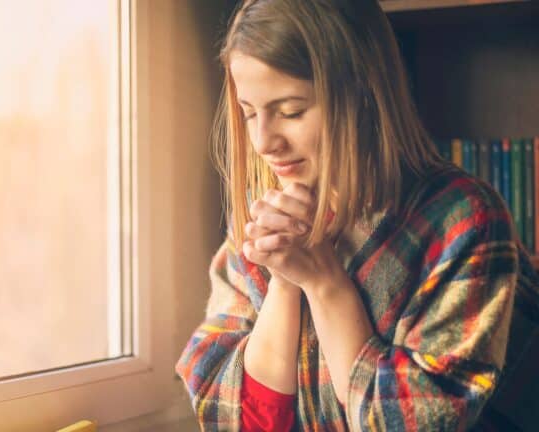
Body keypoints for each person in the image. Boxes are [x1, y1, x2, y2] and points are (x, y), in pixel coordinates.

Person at [174, 0, 539, 431]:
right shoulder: (260, 224)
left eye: (291, 111)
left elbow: (414, 422)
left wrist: (324, 282)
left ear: (363, 95)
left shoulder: (463, 222)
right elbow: (241, 420)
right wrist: (284, 283)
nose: (263, 141)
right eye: (249, 112)